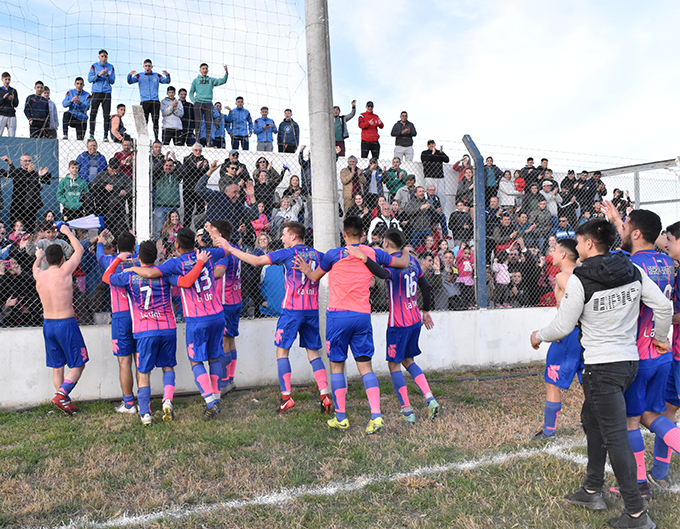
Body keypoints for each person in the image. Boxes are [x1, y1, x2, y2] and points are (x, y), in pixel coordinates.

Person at [530, 218, 671, 529]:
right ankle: (592, 489)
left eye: (579, 242)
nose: (577, 248)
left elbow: (563, 326)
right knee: (591, 420)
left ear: (589, 244)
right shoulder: (633, 270)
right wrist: (660, 337)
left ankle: (635, 514)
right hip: (629, 363)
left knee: (615, 434)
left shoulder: (580, 279)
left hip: (602, 368)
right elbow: (663, 307)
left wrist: (538, 335)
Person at [294, 216, 409, 434]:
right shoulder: (372, 253)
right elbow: (401, 263)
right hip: (362, 316)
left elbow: (314, 277)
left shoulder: (333, 254)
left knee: (336, 366)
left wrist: (306, 269)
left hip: (338, 317)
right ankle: (376, 416)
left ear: (344, 234)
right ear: (363, 234)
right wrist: (406, 250)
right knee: (366, 366)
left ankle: (341, 417)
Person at [602, 205, 680, 502]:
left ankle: (637, 485)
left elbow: (618, 250)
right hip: (662, 353)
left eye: (624, 228)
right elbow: (644, 238)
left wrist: (615, 222)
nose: (619, 232)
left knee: (631, 421)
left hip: (639, 354)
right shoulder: (665, 260)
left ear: (635, 233)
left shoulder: (629, 263)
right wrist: (620, 221)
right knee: (653, 414)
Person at [221, 221, 333, 412]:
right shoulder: (316, 254)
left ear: (293, 237)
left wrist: (230, 248)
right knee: (313, 353)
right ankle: (324, 395)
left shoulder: (288, 253)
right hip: (311, 310)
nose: (281, 238)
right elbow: (330, 266)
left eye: (284, 234)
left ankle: (286, 397)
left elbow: (256, 261)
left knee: (282, 351)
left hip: (291, 310)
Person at [128, 227, 229, 419]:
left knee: (196, 360)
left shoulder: (175, 263)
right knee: (214, 357)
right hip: (217, 314)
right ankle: (216, 399)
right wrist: (216, 235)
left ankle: (209, 401)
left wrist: (133, 268)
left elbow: (150, 274)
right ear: (195, 242)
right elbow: (226, 249)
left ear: (177, 245)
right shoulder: (206, 253)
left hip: (197, 318)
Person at [104, 240, 208, 425]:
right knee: (168, 366)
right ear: (155, 257)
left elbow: (107, 277)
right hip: (168, 328)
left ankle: (145, 414)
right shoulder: (165, 275)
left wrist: (119, 260)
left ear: (139, 257)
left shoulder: (129, 277)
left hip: (145, 330)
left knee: (143, 372)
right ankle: (167, 400)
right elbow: (183, 283)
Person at [33, 224, 88, 415]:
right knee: (79, 363)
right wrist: (67, 232)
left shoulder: (39, 274)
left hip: (48, 325)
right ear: (62, 258)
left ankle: (63, 403)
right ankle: (62, 395)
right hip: (66, 323)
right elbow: (79, 250)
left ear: (47, 259)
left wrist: (39, 258)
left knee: (58, 367)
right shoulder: (65, 271)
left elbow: (36, 266)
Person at [531, 238, 583, 440]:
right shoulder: (583, 273)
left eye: (554, 250)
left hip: (568, 335)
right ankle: (594, 424)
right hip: (583, 333)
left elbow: (576, 298)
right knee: (588, 382)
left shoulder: (564, 276)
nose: (551, 254)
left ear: (563, 255)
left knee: (552, 383)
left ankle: (549, 431)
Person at [96, 231, 140, 414]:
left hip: (121, 316)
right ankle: (143, 401)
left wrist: (100, 242)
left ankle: (129, 404)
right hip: (139, 315)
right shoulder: (139, 261)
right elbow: (137, 250)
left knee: (124, 362)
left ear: (115, 248)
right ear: (132, 246)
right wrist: (135, 244)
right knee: (140, 360)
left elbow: (99, 256)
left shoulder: (111, 261)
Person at [651, 221, 680, 487]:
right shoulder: (675, 267)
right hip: (676, 356)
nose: (666, 243)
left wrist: (664, 317)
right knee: (667, 410)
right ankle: (660, 472)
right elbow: (653, 241)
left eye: (670, 239)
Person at [0, 153, 51, 233]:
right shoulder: (18, 172)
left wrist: (41, 176)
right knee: (16, 228)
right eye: (25, 161)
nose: (28, 163)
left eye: (29, 161)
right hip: (18, 205)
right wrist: (10, 163)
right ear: (21, 162)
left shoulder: (35, 173)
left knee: (29, 229)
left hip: (31, 206)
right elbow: (15, 175)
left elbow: (43, 183)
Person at [127, 59, 171, 142]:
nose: (147, 67)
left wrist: (167, 75)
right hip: (144, 101)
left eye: (149, 66)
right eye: (146, 66)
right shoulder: (139, 76)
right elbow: (130, 81)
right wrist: (129, 75)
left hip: (155, 101)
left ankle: (156, 139)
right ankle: (143, 139)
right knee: (144, 122)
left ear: (152, 67)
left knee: (155, 121)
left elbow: (167, 81)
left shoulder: (156, 75)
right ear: (143, 66)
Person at [189, 63, 229, 143]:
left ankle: (208, 142)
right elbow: (191, 92)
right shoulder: (196, 80)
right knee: (198, 123)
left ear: (208, 70)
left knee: (209, 123)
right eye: (203, 68)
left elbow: (222, 81)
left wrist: (226, 73)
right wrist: (194, 101)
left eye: (206, 68)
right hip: (198, 103)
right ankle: (197, 141)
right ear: (200, 70)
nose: (205, 70)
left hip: (208, 103)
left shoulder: (211, 80)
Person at [92, 158, 131, 238]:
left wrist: (125, 192)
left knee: (120, 231)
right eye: (112, 169)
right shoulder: (101, 175)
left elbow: (131, 187)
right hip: (105, 208)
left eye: (116, 169)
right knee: (105, 231)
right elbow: (93, 186)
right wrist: (104, 186)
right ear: (108, 167)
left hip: (119, 209)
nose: (114, 171)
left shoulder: (124, 177)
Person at [88, 49, 116, 141]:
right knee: (93, 113)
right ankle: (91, 134)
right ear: (99, 57)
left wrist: (107, 75)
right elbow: (89, 79)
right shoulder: (94, 66)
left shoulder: (111, 67)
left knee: (106, 115)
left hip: (107, 93)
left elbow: (112, 81)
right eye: (102, 56)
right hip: (96, 92)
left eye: (105, 56)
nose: (104, 58)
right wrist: (98, 75)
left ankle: (105, 135)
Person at [0, 72, 19, 137]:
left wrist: (13, 99)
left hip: (11, 115)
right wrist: (3, 98)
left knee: (12, 135)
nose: (7, 81)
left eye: (9, 79)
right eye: (6, 79)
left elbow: (16, 104)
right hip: (1, 114)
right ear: (2, 79)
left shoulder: (13, 91)